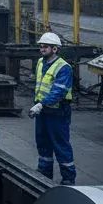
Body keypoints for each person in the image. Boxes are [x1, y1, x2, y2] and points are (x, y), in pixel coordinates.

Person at [28, 31, 76, 184]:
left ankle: (68, 180)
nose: (42, 49)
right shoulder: (41, 63)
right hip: (42, 111)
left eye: (45, 47)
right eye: (41, 47)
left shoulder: (64, 68)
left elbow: (59, 91)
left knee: (60, 145)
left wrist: (41, 104)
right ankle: (44, 174)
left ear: (55, 49)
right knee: (43, 143)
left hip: (57, 112)